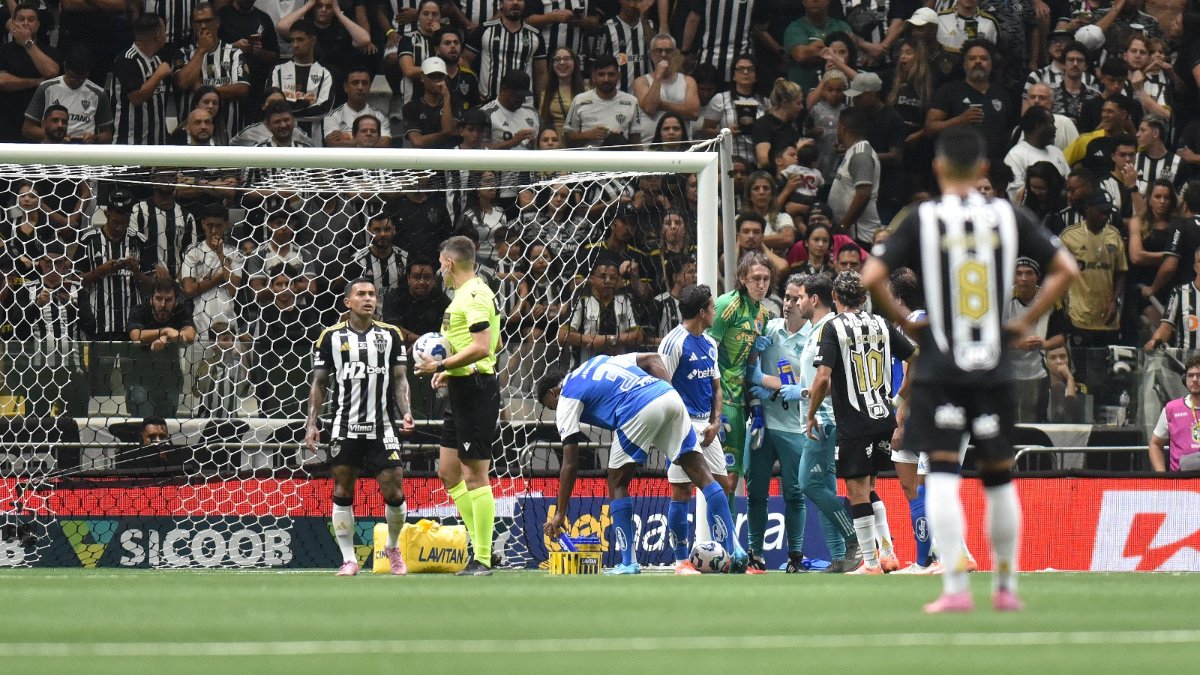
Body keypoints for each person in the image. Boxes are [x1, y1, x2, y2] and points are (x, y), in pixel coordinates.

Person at [863, 125, 1079, 611]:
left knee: (941, 473)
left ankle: (956, 590)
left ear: (939, 168)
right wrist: (1022, 319)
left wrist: (908, 324)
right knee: (999, 476)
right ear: (984, 169)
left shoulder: (925, 216)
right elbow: (1067, 268)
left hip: (941, 365)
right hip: (993, 365)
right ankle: (1005, 588)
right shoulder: (1007, 214)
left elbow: (871, 275)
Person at [538, 352, 748, 574]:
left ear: (553, 393)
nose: (554, 409)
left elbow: (570, 463)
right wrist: (668, 395)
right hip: (668, 395)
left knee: (616, 481)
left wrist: (560, 512)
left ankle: (628, 562)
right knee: (703, 476)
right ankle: (734, 552)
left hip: (636, 407)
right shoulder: (596, 361)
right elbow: (653, 360)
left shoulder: (566, 397)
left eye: (550, 406)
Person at [805, 270, 914, 575]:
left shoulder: (833, 328)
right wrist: (899, 396)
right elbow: (915, 357)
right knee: (869, 487)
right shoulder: (882, 323)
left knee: (857, 493)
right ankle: (888, 554)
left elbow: (823, 378)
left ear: (836, 298)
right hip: (883, 419)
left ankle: (869, 562)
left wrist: (811, 413)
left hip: (854, 422)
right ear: (864, 298)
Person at [305, 278, 415, 576]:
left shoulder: (391, 335)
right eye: (361, 294)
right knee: (343, 489)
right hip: (344, 425)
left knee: (394, 488)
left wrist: (406, 412)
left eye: (372, 294)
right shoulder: (329, 337)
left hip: (383, 426)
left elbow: (401, 379)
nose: (368, 298)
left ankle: (392, 547)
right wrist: (312, 423)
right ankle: (349, 559)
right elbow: (319, 383)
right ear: (348, 302)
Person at [411, 236, 502, 576]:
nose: (438, 270)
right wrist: (451, 372)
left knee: (475, 474)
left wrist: (442, 366)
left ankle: (482, 556)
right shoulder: (464, 296)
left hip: (476, 389)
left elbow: (483, 346)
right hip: (462, 385)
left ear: (448, 263)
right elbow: (496, 338)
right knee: (448, 471)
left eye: (440, 263)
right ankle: (482, 546)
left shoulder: (475, 293)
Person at [657, 284, 730, 575]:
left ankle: (724, 553)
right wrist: (674, 426)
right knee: (681, 492)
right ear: (702, 312)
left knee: (723, 486)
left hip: (707, 425)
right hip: (680, 424)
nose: (715, 312)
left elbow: (716, 388)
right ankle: (679, 561)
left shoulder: (710, 343)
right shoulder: (672, 343)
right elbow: (661, 388)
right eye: (712, 307)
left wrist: (715, 422)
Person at [709, 252, 772, 514]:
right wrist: (713, 405)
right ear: (742, 278)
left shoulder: (764, 315)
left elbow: (751, 368)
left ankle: (729, 546)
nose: (761, 284)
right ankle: (721, 545)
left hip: (740, 402)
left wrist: (755, 406)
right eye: (756, 278)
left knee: (732, 478)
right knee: (723, 478)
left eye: (766, 279)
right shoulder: (727, 305)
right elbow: (707, 351)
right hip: (721, 400)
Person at [172, 3, 251, 137]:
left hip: (228, 135)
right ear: (193, 25)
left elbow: (242, 89)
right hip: (191, 139)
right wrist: (201, 50)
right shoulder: (183, 53)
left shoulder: (234, 53)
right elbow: (183, 83)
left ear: (217, 22)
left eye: (207, 21)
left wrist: (203, 88)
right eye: (198, 22)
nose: (203, 26)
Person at [1006, 257, 1069, 423]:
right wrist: (1018, 345)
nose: (1024, 278)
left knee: (1035, 420)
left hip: (1038, 371)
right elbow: (993, 337)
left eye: (1029, 273)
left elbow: (1060, 337)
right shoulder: (1003, 298)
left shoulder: (1050, 299)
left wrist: (1043, 344)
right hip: (1008, 371)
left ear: (1037, 277)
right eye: (1019, 274)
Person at [127, 278, 198, 418]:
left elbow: (189, 336)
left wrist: (166, 338)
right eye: (158, 299)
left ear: (176, 300)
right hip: (140, 380)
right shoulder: (139, 310)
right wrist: (165, 331)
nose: (163, 304)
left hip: (170, 380)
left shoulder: (181, 311)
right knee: (145, 425)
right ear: (151, 299)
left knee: (165, 427)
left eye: (168, 299)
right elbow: (136, 336)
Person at [21, 45, 111, 144]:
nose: (76, 82)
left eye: (81, 79)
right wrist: (55, 137)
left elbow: (107, 135)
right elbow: (28, 129)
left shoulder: (98, 94)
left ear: (88, 74)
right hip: (52, 152)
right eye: (72, 77)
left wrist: (95, 138)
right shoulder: (47, 88)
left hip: (84, 154)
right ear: (65, 67)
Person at [464, 0, 547, 102]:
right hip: (488, 102)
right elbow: (465, 61)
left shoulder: (535, 35)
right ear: (501, 4)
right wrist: (473, 91)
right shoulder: (484, 30)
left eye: (520, 0)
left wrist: (541, 106)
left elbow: (541, 73)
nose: (515, 2)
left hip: (524, 104)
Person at [109, 13, 171, 146]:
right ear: (158, 34)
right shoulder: (127, 59)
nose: (165, 35)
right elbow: (136, 98)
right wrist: (158, 74)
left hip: (157, 144)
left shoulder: (157, 60)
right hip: (129, 145)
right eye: (164, 31)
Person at [828, 105, 882, 247]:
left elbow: (863, 194)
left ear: (843, 128)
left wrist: (844, 225)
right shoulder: (853, 151)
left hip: (860, 235)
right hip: (851, 233)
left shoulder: (861, 154)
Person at [563, 55, 642, 147]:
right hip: (588, 159)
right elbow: (567, 139)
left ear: (618, 76)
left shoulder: (631, 101)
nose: (606, 79)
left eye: (611, 74)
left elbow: (636, 141)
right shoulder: (580, 100)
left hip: (619, 158)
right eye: (601, 74)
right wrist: (588, 135)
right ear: (593, 77)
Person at [1149, 354, 1200, 472]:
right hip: (1180, 483)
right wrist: (1163, 477)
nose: (1195, 380)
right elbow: (1155, 445)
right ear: (1184, 379)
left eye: (1199, 375)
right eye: (1190, 376)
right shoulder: (1172, 409)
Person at [403, 56, 460, 150]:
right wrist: (444, 134)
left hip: (451, 157)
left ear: (445, 77)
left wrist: (446, 96)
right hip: (423, 159)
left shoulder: (455, 102)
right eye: (432, 76)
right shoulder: (410, 107)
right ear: (422, 77)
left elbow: (449, 128)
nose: (436, 80)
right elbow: (417, 142)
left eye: (440, 76)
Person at [324, 69, 392, 147]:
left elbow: (384, 144)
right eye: (355, 83)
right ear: (345, 87)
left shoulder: (380, 116)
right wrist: (369, 140)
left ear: (369, 87)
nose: (360, 87)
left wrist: (346, 139)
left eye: (364, 83)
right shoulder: (332, 116)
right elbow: (333, 144)